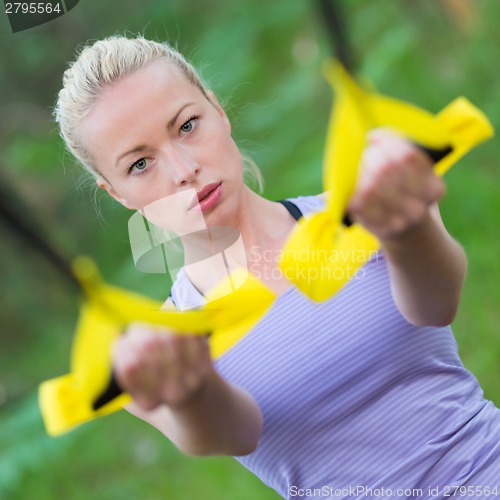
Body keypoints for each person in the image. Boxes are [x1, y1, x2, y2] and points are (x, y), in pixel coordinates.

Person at [54, 36, 500, 497]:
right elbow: (234, 434)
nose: (183, 168)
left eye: (187, 126)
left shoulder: (368, 201)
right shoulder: (155, 353)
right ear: (118, 194)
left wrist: (407, 228)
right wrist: (190, 390)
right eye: (141, 163)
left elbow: (438, 303)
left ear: (217, 109)